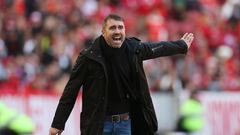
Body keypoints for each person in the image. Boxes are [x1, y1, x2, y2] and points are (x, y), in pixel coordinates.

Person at [49, 14, 194, 135]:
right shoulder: (89, 57)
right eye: (112, 28)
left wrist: (181, 45)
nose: (117, 31)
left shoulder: (133, 49)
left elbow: (157, 49)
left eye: (121, 27)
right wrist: (58, 124)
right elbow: (70, 92)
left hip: (126, 124)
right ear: (103, 31)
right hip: (99, 125)